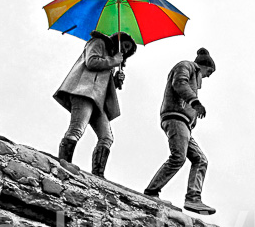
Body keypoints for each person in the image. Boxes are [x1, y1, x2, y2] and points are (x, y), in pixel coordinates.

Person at [53, 31, 137, 178]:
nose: (124, 50)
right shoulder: (98, 42)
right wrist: (113, 61)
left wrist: (116, 81)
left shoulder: (112, 58)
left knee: (107, 137)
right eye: (125, 46)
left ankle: (98, 174)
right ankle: (64, 162)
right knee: (77, 128)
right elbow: (91, 62)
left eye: (127, 50)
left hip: (99, 100)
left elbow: (102, 81)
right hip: (83, 92)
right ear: (118, 39)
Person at [143, 48, 216, 215]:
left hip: (185, 125)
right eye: (210, 71)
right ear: (203, 66)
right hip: (175, 118)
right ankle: (151, 192)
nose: (209, 76)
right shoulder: (186, 66)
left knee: (201, 159)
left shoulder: (193, 75)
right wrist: (194, 102)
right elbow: (179, 83)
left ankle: (193, 198)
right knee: (178, 157)